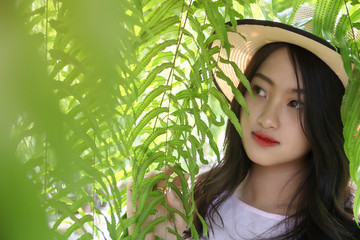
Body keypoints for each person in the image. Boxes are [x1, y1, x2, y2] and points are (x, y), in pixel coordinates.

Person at [127, 7, 360, 240]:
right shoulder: (192, 203)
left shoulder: (343, 233)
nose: (266, 119)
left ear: (330, 118)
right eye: (259, 90)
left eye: (295, 103)